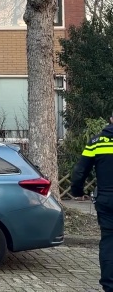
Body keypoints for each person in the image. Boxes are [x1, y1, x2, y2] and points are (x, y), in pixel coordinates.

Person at [71, 113, 113, 292]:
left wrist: (77, 191)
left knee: (109, 241)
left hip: (107, 199)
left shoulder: (97, 141)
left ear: (111, 118)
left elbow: (80, 170)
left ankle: (109, 285)